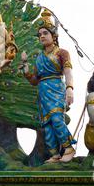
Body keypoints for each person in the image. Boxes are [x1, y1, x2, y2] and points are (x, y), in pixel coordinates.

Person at [19, 9, 76, 163]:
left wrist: (69, 88)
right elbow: (34, 80)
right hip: (43, 92)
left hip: (56, 88)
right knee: (47, 125)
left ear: (54, 36)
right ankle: (55, 154)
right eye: (40, 34)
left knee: (57, 118)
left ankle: (69, 148)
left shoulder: (62, 53)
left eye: (45, 33)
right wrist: (25, 67)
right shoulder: (39, 58)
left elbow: (68, 72)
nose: (42, 36)